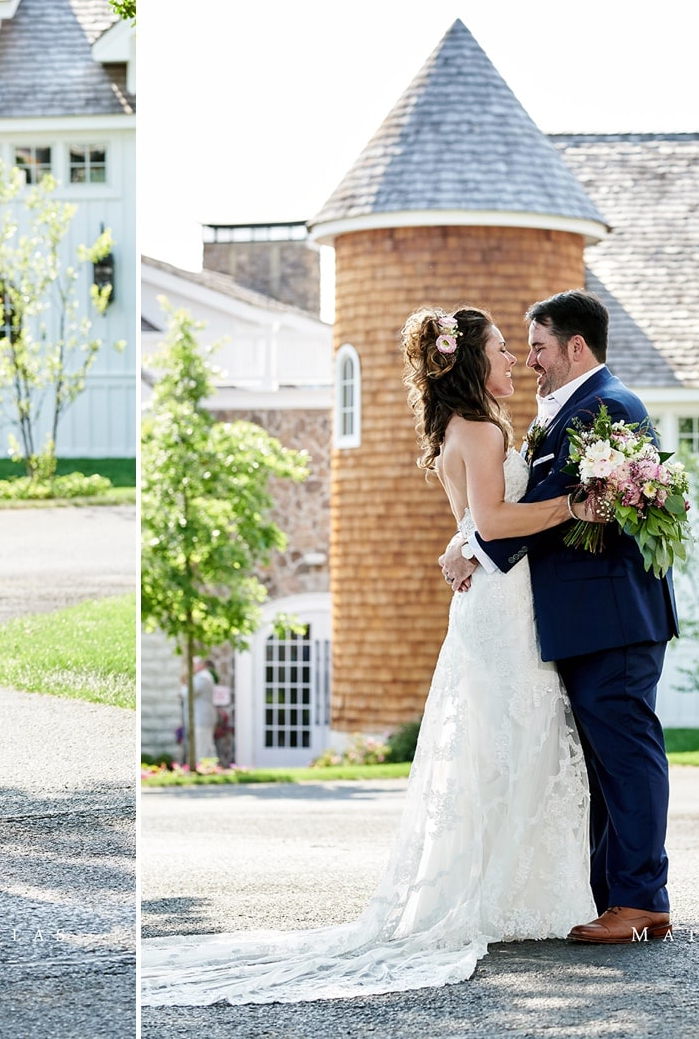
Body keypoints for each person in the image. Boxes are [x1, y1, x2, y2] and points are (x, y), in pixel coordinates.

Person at [141, 306, 605, 1006]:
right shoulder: (479, 431)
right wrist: (573, 506)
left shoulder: (470, 428)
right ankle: (497, 897)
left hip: (495, 601)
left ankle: (514, 891)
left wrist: (468, 543)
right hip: (500, 608)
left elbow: (475, 531)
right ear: (474, 362)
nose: (514, 361)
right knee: (510, 741)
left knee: (505, 744)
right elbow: (496, 522)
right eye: (504, 351)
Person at [446, 289, 678, 946]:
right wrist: (469, 538)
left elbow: (552, 502)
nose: (530, 360)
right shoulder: (566, 413)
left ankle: (639, 898)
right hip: (586, 619)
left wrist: (471, 544)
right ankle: (619, 898)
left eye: (540, 347)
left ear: (576, 347)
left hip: (614, 616)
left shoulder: (604, 407)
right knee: (603, 763)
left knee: (627, 756)